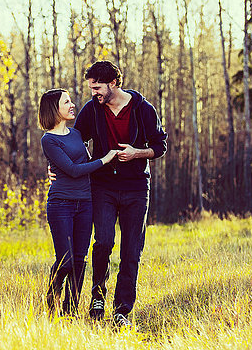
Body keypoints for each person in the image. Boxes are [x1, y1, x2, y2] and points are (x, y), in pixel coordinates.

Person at [50, 61, 167, 327]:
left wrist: (137, 153)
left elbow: (160, 147)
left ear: (113, 83)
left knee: (131, 250)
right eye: (91, 88)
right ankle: (98, 296)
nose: (93, 93)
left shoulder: (143, 109)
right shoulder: (93, 110)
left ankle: (122, 309)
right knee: (102, 242)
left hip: (137, 188)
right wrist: (55, 165)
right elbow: (72, 141)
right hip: (102, 186)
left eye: (98, 87)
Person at [38, 88, 118, 317]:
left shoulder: (76, 134)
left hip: (85, 203)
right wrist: (105, 159)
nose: (72, 105)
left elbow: (86, 162)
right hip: (61, 204)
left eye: (71, 101)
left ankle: (71, 308)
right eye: (67, 102)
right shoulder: (49, 140)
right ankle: (52, 296)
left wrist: (106, 161)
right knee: (66, 260)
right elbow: (73, 170)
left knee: (80, 261)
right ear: (55, 108)